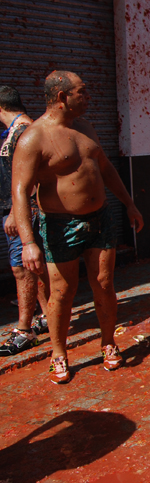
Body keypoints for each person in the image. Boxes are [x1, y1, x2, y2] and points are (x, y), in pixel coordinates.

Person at [12, 71, 144, 384]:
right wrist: (29, 243)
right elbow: (20, 191)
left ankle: (108, 342)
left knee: (104, 283)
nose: (88, 98)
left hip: (101, 219)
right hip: (60, 225)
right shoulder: (33, 138)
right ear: (62, 97)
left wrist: (129, 203)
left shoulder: (85, 127)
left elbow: (105, 168)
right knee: (62, 292)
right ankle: (58, 353)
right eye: (81, 92)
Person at [0, 86, 50, 357]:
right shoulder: (16, 131)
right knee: (33, 267)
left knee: (22, 268)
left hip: (22, 211)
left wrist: (14, 212)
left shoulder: (22, 132)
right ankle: (47, 315)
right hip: (19, 210)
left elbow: (30, 178)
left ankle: (24, 329)